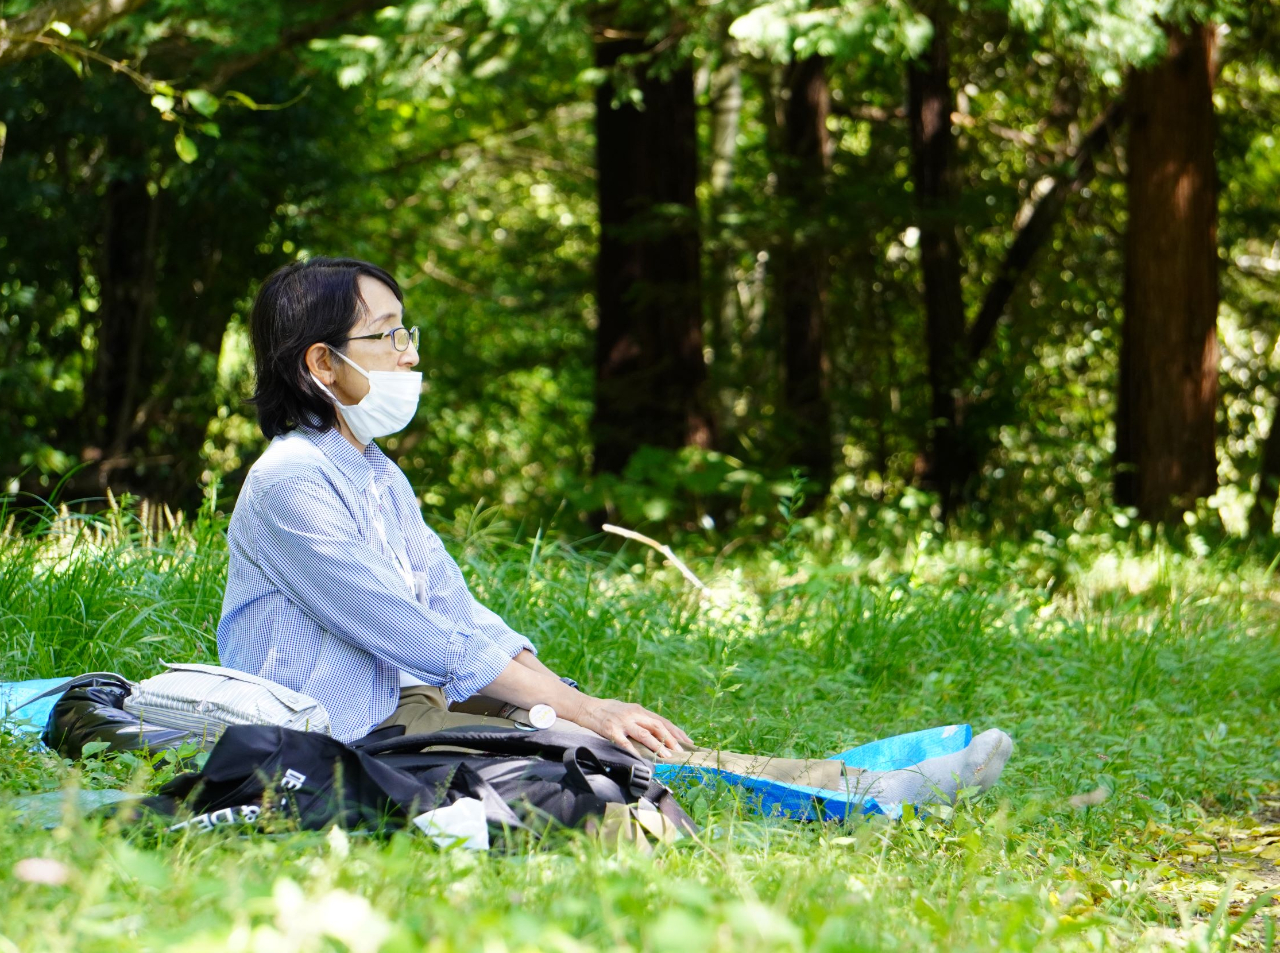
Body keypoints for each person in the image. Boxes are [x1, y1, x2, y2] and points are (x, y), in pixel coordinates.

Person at [218, 256, 1012, 801]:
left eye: (406, 332)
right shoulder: (291, 483)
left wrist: (563, 693)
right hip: (342, 739)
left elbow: (459, 612)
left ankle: (853, 786)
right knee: (592, 750)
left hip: (410, 705)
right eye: (386, 336)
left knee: (602, 733)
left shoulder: (377, 472)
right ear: (323, 367)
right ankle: (853, 796)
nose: (407, 354)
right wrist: (583, 707)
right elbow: (419, 636)